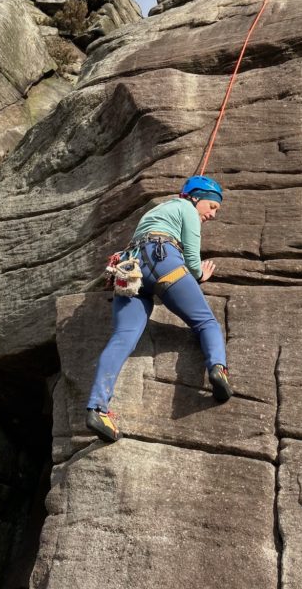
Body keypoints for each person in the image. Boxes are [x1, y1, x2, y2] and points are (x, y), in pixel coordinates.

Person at [86, 175, 233, 442]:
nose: (213, 214)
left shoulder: (154, 213)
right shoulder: (186, 208)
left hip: (131, 270)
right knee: (206, 323)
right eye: (212, 206)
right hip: (163, 260)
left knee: (122, 339)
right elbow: (192, 258)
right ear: (196, 198)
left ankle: (98, 409)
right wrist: (200, 274)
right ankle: (218, 368)